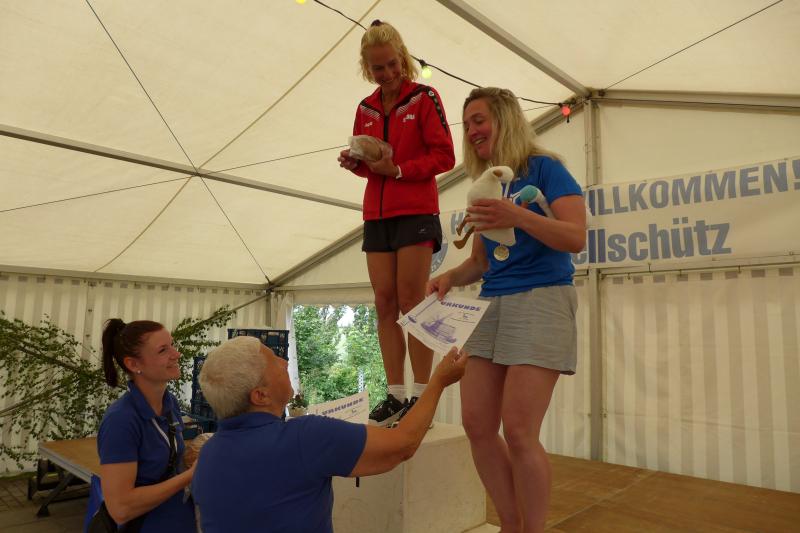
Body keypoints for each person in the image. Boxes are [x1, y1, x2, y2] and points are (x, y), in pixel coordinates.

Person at [427, 87, 586, 533]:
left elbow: (576, 237)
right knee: (477, 424)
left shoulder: (546, 169)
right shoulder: (487, 185)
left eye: (479, 120)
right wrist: (448, 277)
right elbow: (480, 262)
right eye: (467, 125)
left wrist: (517, 216)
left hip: (542, 298)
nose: (472, 131)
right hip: (491, 302)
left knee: (518, 430)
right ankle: (511, 525)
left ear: (506, 120)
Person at [191, 336, 467, 533]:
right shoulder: (304, 437)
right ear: (260, 395)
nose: (285, 361)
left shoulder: (208, 455)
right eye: (274, 359)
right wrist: (438, 381)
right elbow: (403, 444)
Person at [338, 20, 456, 427]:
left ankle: (421, 396)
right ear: (366, 67)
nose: (387, 73)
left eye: (392, 64)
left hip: (416, 211)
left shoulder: (424, 97)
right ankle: (396, 394)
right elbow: (371, 167)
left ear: (403, 58)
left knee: (412, 301)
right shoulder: (365, 108)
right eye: (378, 68)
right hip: (376, 215)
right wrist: (355, 163)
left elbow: (445, 156)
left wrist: (400, 169)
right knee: (384, 302)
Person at [92, 319, 196, 532]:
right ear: (134, 365)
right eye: (163, 350)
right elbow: (120, 508)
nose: (176, 354)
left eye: (172, 345)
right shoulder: (121, 421)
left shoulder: (170, 403)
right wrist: (191, 475)